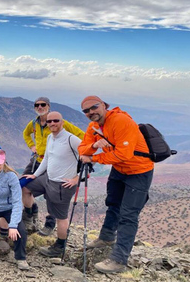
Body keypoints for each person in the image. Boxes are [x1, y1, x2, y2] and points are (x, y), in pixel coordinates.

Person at [78, 95, 154, 273]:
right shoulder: (94, 126)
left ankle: (119, 259)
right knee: (112, 204)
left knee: (128, 215)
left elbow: (124, 154)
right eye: (86, 111)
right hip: (119, 170)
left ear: (104, 105)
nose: (91, 112)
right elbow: (82, 148)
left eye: (94, 107)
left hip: (139, 171)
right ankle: (106, 237)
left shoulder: (120, 121)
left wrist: (94, 157)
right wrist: (94, 145)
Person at [21, 96, 84, 235]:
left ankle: (50, 223)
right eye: (37, 105)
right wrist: (32, 146)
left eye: (43, 105)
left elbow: (81, 136)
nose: (40, 107)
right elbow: (26, 134)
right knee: (23, 184)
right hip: (39, 161)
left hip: (56, 165)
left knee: (52, 194)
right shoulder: (33, 124)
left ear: (48, 106)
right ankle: (30, 214)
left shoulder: (61, 123)